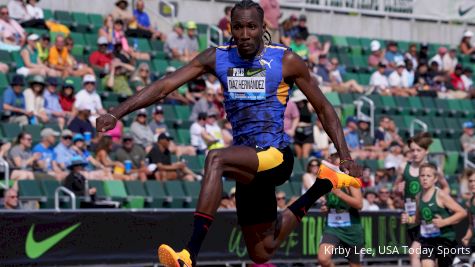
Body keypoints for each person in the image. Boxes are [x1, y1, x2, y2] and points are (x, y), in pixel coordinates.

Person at [96, 2, 362, 266]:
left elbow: (324, 107)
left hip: (276, 156)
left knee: (215, 158)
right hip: (246, 161)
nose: (245, 34)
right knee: (262, 252)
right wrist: (116, 112)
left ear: (263, 28)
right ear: (230, 28)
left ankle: (189, 254)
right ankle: (323, 184)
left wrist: (344, 154)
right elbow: (165, 85)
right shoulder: (217, 57)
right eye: (238, 27)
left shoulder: (286, 60)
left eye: (251, 27)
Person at [394, 132, 449, 267]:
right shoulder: (403, 167)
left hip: (427, 216)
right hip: (411, 217)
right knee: (425, 256)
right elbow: (395, 189)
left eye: (419, 150)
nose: (415, 153)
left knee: (415, 253)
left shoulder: (433, 169)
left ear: (426, 151)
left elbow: (446, 188)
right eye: (412, 150)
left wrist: (437, 201)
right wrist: (397, 189)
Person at [401, 163, 466, 267]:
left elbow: (462, 212)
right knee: (426, 264)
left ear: (435, 179)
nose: (425, 179)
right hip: (428, 239)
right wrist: (408, 218)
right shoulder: (418, 196)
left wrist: (444, 222)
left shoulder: (440, 195)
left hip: (445, 239)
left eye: (428, 176)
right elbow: (418, 219)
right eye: (422, 176)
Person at [318, 177, 363, 267]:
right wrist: (326, 208)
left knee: (355, 265)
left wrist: (340, 194)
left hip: (351, 229)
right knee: (323, 259)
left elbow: (359, 204)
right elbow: (330, 202)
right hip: (332, 227)